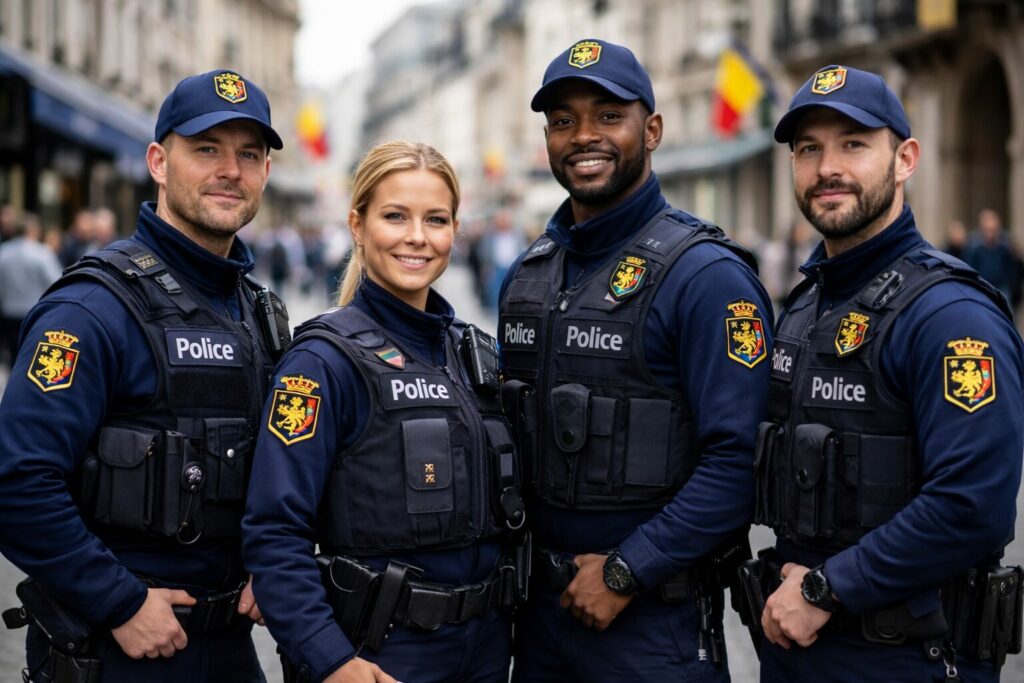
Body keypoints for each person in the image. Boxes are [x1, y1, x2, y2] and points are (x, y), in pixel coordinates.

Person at [0, 68, 289, 682]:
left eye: (248, 154)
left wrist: (273, 560)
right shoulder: (90, 310)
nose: (230, 170)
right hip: (119, 650)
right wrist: (119, 601)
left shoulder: (260, 313)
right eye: (206, 149)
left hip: (231, 650)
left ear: (266, 172)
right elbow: (17, 482)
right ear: (158, 162)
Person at [499, 39, 773, 681]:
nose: (583, 136)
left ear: (652, 130)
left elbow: (740, 464)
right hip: (540, 625)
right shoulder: (529, 275)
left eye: (608, 115)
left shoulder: (707, 277)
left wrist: (628, 570)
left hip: (653, 624)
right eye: (562, 120)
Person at [755, 65, 1024, 682]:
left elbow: (971, 507)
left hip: (909, 658)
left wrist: (826, 588)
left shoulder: (951, 316)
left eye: (853, 144)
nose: (827, 168)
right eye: (808, 149)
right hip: (798, 654)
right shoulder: (805, 306)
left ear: (905, 160)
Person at [242, 140, 525, 683]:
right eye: (395, 216)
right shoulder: (321, 362)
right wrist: (331, 660)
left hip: (486, 654)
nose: (417, 236)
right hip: (382, 657)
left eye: (435, 219)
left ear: (455, 230)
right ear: (357, 225)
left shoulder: (475, 354)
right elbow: (274, 533)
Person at [0, 211, 62, 367]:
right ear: (33, 231)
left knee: (13, 357)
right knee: (33, 358)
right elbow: (56, 282)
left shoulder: (3, 252)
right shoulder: (42, 253)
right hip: (35, 311)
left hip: (9, 311)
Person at [963, 208, 1021, 309]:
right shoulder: (974, 246)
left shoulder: (1006, 245)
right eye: (987, 229)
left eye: (993, 230)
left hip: (1002, 287)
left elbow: (1013, 267)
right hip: (982, 287)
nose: (990, 233)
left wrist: (1011, 284)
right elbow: (969, 266)